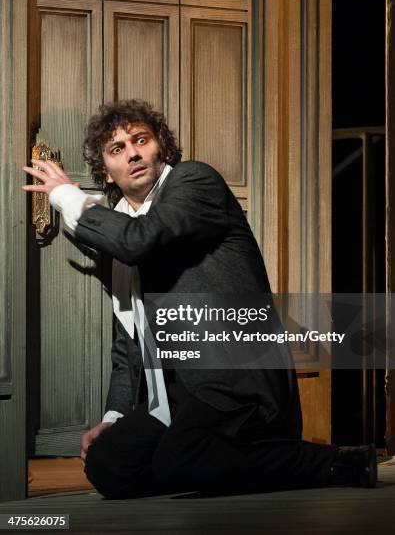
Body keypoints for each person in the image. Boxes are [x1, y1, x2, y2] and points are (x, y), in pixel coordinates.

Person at [22, 99, 377, 498]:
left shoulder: (193, 182)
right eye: (117, 148)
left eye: (141, 139)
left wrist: (68, 198)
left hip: (236, 377)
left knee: (181, 459)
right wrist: (115, 416)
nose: (134, 153)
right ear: (106, 170)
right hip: (183, 390)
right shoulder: (118, 229)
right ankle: (209, 464)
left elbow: (141, 240)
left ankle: (337, 462)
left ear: (163, 149)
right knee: (109, 465)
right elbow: (129, 344)